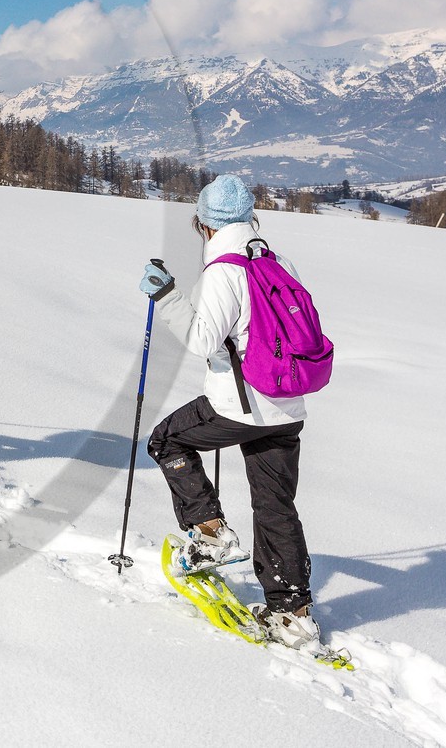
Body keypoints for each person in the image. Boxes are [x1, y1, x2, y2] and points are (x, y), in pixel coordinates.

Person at [138, 174, 320, 649]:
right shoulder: (277, 260)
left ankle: (211, 533)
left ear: (204, 223)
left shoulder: (224, 269)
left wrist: (165, 296)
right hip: (286, 405)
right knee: (276, 506)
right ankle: (292, 614)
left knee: (167, 440)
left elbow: (202, 340)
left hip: (239, 405)